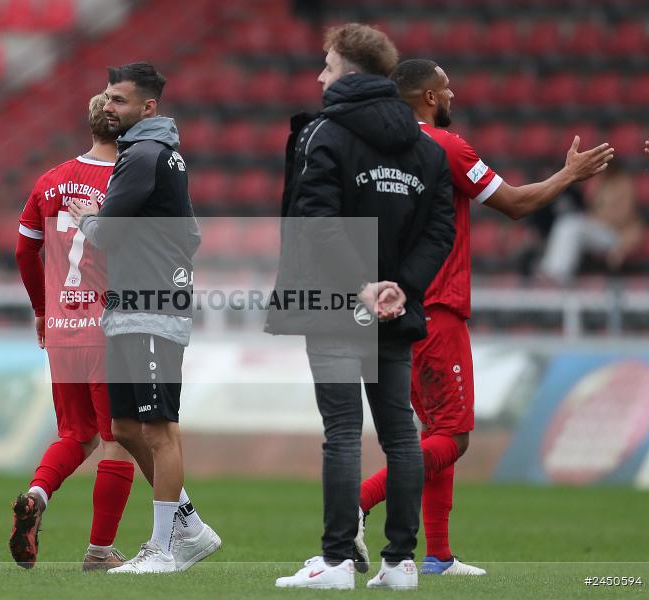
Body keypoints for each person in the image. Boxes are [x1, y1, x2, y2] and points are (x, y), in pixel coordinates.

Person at [355, 58, 614, 576]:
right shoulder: (446, 147)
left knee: (434, 428)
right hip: (437, 309)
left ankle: (438, 556)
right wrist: (571, 174)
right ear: (428, 97)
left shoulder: (372, 150)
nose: (453, 96)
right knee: (455, 437)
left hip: (389, 309)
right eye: (447, 88)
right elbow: (516, 203)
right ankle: (356, 501)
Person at [265, 24, 456, 591]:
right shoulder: (426, 146)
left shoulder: (322, 133)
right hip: (397, 310)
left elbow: (316, 222)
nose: (320, 76)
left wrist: (362, 285)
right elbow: (439, 230)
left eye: (326, 66)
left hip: (334, 304)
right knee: (400, 433)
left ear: (348, 71)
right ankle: (400, 564)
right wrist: (399, 286)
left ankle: (337, 561)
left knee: (343, 432)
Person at [68, 62, 220, 574]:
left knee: (158, 429)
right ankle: (189, 527)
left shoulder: (145, 156)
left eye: (118, 100)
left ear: (147, 108)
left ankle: (164, 549)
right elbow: (191, 234)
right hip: (131, 307)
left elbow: (106, 233)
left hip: (151, 307)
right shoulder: (157, 156)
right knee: (123, 425)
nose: (107, 107)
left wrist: (88, 218)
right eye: (107, 98)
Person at [10, 93, 135, 571]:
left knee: (75, 433)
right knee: (116, 438)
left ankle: (37, 496)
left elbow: (24, 253)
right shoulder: (129, 183)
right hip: (109, 326)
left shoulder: (51, 181)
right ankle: (100, 551)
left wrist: (43, 309)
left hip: (63, 325)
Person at [538, 162, 643, 282]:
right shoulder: (600, 182)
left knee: (572, 226)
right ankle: (551, 271)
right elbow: (589, 206)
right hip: (599, 230)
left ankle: (558, 274)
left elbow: (622, 217)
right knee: (566, 221)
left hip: (618, 235)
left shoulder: (624, 184)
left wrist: (596, 218)